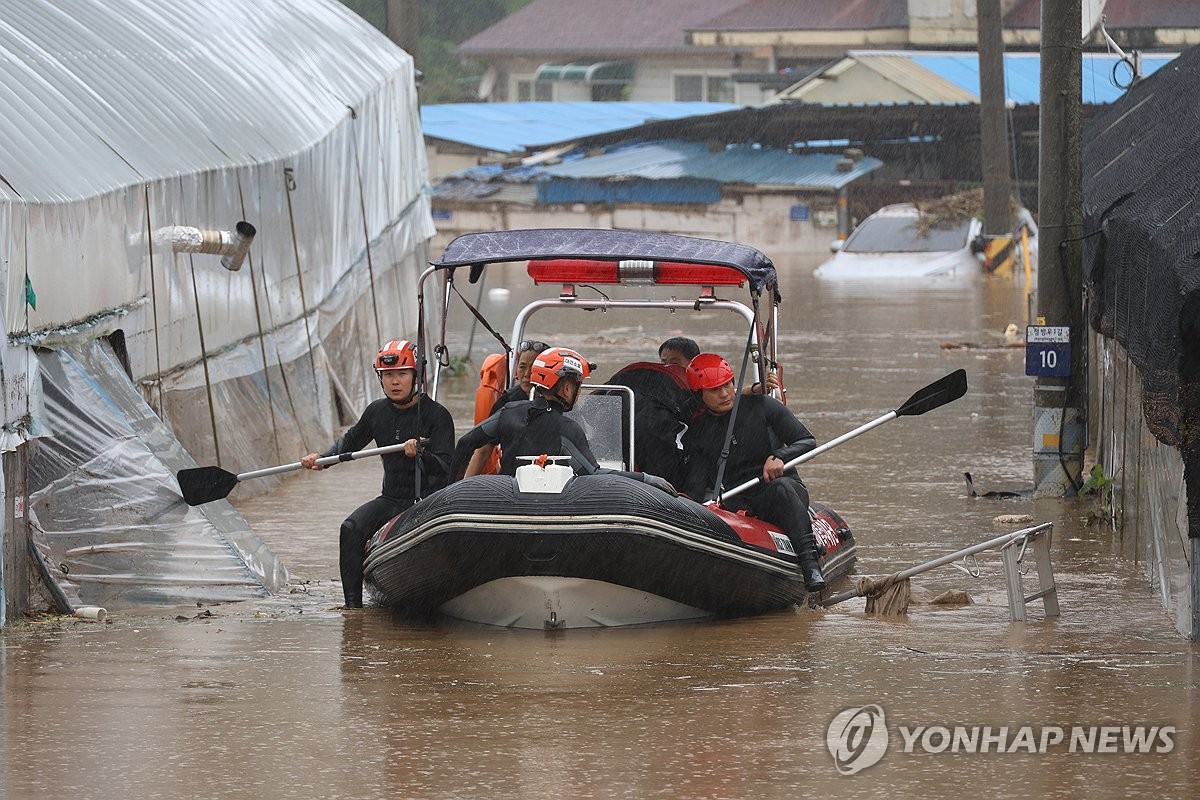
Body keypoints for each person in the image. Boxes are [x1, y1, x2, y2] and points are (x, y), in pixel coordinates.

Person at [301, 340, 454, 608]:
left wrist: (422, 454)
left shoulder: (437, 416)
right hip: (393, 499)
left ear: (416, 376)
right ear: (380, 378)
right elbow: (349, 443)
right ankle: (352, 609)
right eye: (388, 376)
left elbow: (446, 469)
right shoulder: (376, 412)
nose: (395, 382)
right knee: (350, 529)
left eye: (402, 374)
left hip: (429, 502)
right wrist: (322, 459)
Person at [679, 353, 825, 592]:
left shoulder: (763, 406)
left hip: (781, 489)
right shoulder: (699, 431)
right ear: (700, 396)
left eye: (727, 384)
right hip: (739, 498)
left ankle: (810, 565)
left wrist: (780, 457)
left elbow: (807, 441)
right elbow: (697, 483)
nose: (725, 393)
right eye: (715, 390)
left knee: (782, 488)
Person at [450, 346, 676, 496]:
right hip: (546, 508)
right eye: (577, 386)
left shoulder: (508, 411)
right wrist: (646, 478)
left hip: (506, 498)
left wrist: (451, 490)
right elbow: (594, 474)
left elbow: (466, 443)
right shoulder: (567, 428)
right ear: (567, 387)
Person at [465, 340, 550, 476]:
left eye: (533, 368)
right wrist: (464, 488)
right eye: (522, 367)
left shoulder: (557, 401)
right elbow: (483, 450)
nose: (527, 373)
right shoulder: (507, 402)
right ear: (516, 369)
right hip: (510, 481)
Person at [659, 336, 779, 395]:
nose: (667, 369)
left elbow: (730, 395)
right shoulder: (657, 389)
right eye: (663, 363)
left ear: (692, 364)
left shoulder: (703, 389)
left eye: (674, 363)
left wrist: (756, 389)